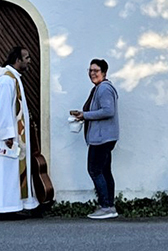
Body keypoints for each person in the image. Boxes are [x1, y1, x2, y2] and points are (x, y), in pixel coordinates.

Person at [0, 46, 39, 217]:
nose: (29, 60)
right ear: (17, 60)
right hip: (7, 137)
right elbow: (3, 109)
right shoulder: (6, 81)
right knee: (5, 173)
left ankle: (13, 206)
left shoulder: (13, 79)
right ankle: (4, 208)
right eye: (27, 57)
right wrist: (7, 134)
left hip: (14, 136)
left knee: (12, 173)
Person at [71, 58, 119, 220]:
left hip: (101, 138)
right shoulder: (101, 88)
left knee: (95, 170)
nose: (92, 74)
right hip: (105, 137)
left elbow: (108, 111)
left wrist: (85, 115)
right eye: (90, 70)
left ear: (104, 73)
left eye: (96, 71)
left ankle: (106, 207)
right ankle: (109, 205)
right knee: (104, 171)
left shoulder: (104, 89)